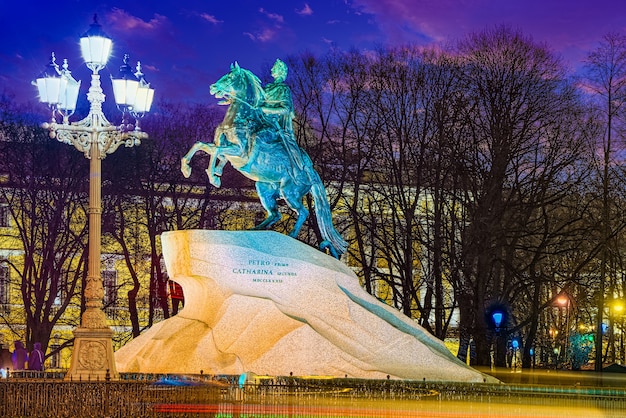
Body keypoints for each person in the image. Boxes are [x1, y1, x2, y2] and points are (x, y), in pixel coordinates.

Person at [259, 59, 306, 181]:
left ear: (280, 72)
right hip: (263, 121)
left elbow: (285, 108)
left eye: (274, 68)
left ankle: (296, 168)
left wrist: (265, 109)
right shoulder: (267, 88)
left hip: (276, 124)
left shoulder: (283, 89)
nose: (271, 70)